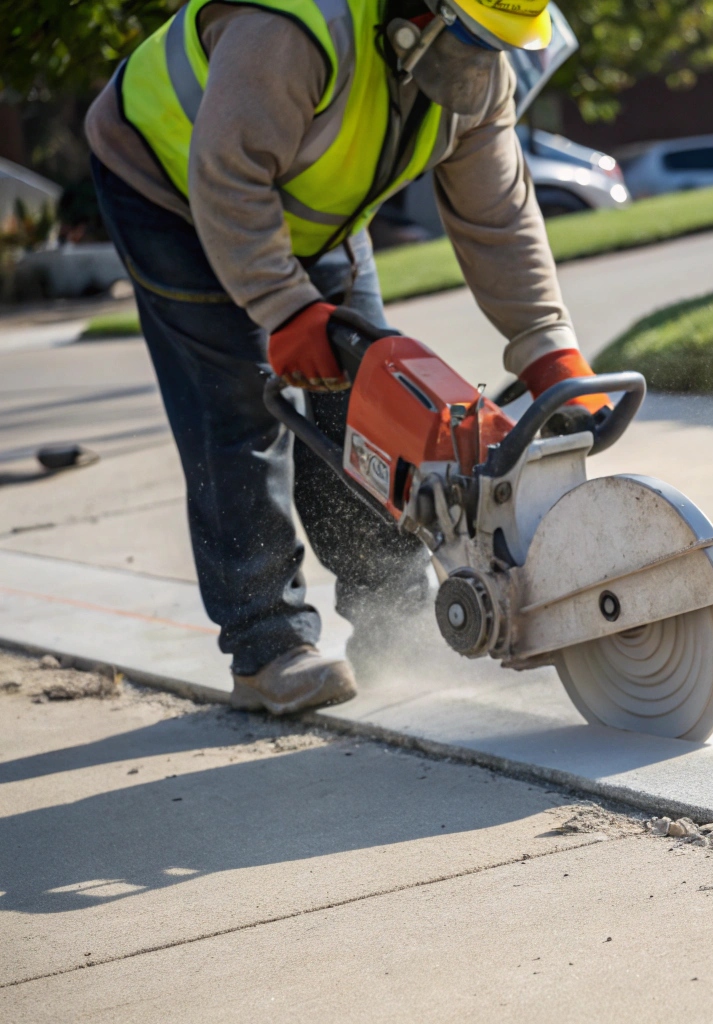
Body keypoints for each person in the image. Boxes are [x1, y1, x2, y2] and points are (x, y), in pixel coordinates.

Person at [86, 0, 608, 714]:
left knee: (370, 404)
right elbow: (228, 175)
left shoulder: (478, 74)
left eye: (497, 49)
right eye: (468, 44)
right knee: (238, 410)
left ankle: (395, 626)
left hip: (309, 207)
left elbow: (499, 218)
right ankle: (268, 646)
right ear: (414, 12)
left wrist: (551, 349)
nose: (479, 68)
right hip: (170, 186)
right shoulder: (296, 28)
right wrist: (283, 307)